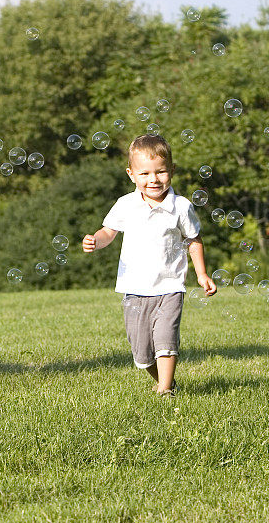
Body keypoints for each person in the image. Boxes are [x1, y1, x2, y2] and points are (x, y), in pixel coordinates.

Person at [82, 134, 216, 396]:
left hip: (170, 285)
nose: (153, 179)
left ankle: (165, 390)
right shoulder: (126, 204)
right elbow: (108, 232)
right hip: (134, 288)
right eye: (144, 173)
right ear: (131, 174)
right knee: (141, 351)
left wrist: (201, 274)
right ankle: (164, 380)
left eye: (161, 172)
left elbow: (193, 239)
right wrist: (95, 241)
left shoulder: (180, 206)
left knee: (166, 339)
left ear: (172, 171)